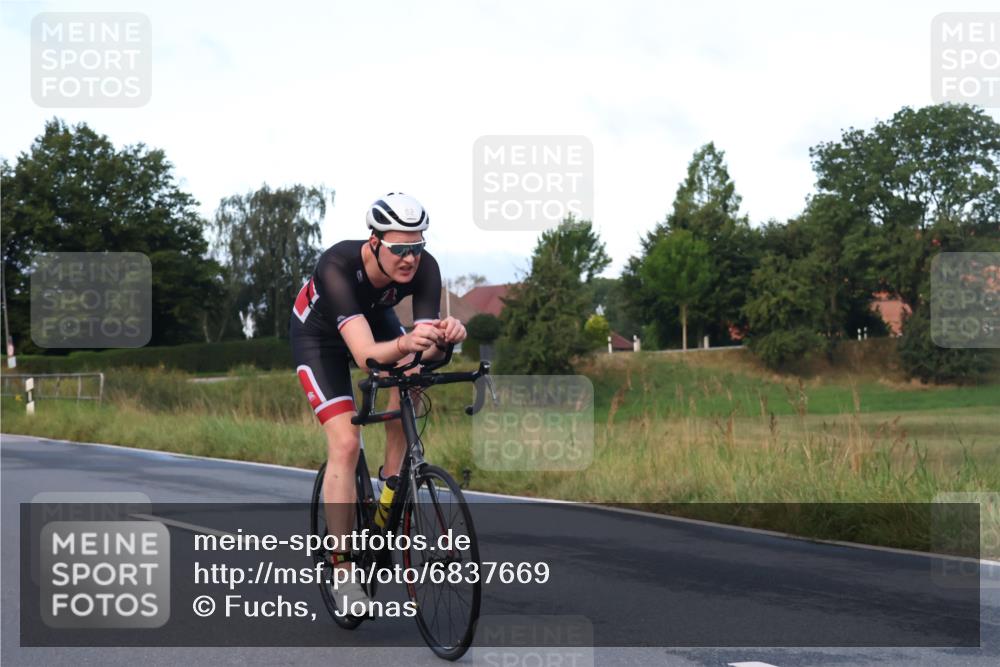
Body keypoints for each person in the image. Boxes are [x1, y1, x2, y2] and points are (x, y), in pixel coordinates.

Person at [289, 192, 466, 606]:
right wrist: (406, 343)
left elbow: (425, 352)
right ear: (374, 242)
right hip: (320, 338)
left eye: (417, 247)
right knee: (347, 442)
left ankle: (388, 496)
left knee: (413, 381)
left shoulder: (425, 270)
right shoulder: (337, 265)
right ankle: (343, 566)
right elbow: (367, 353)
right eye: (399, 248)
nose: (410, 258)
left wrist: (447, 339)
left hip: (373, 324)